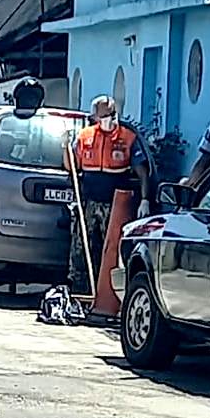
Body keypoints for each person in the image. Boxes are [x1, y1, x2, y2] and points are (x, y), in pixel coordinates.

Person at [65, 96, 151, 296]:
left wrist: (145, 199)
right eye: (104, 115)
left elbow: (143, 172)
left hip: (116, 205)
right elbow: (72, 166)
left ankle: (110, 296)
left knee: (112, 250)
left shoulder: (127, 138)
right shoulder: (85, 136)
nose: (108, 119)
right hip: (89, 202)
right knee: (81, 249)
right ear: (95, 116)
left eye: (111, 114)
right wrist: (66, 147)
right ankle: (81, 292)